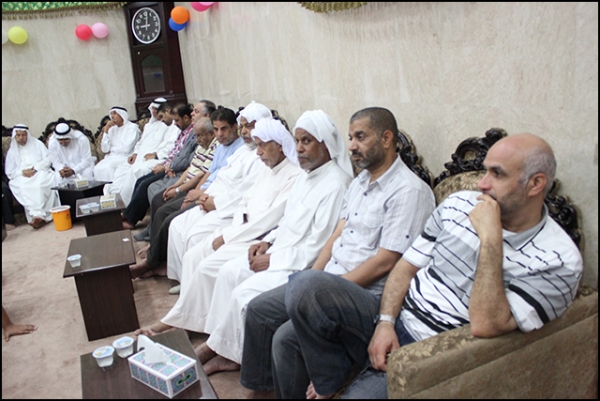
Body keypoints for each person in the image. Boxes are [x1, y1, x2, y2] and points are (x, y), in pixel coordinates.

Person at [277, 133, 583, 399]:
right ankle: (334, 376)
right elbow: (406, 267)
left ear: (535, 184)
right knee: (304, 288)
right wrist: (385, 323)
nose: (482, 184)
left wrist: (491, 240)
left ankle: (359, 373)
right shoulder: (459, 204)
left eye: (497, 174)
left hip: (433, 352)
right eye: (485, 171)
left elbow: (486, 324)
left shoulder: (558, 261)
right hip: (396, 314)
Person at [238, 107, 436, 398]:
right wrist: (316, 277)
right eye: (350, 137)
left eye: (360, 137)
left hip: (368, 296)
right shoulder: (359, 183)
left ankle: (331, 376)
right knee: (260, 309)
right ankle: (263, 389)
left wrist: (324, 288)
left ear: (386, 139)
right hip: (331, 282)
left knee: (287, 333)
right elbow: (336, 236)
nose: (352, 145)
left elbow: (386, 262)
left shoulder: (408, 191)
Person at [195, 109, 354, 376]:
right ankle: (220, 345)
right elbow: (287, 220)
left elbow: (319, 246)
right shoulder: (306, 176)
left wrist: (273, 260)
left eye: (307, 141)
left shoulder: (337, 184)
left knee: (244, 294)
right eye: (298, 141)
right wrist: (267, 243)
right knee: (228, 272)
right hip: (279, 251)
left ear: (326, 143)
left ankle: (234, 356)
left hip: (298, 265)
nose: (299, 148)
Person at [135, 117, 302, 337]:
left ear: (279, 145)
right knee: (193, 255)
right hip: (240, 227)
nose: (258, 152)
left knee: (208, 267)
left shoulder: (293, 175)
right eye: (258, 145)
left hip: (256, 237)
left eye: (263, 145)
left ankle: (189, 323)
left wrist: (228, 236)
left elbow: (267, 221)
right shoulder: (268, 168)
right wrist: (233, 226)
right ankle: (187, 318)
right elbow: (245, 200)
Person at [165, 102, 272, 290]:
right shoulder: (244, 150)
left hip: (227, 208)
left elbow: (245, 192)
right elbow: (221, 175)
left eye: (250, 126)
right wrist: (206, 195)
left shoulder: (262, 157)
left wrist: (215, 202)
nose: (245, 131)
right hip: (212, 198)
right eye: (243, 126)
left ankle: (194, 286)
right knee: (176, 225)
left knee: (194, 236)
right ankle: (185, 280)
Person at [129, 117, 218, 278]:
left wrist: (181, 191)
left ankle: (152, 262)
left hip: (200, 191)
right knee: (157, 199)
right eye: (195, 136)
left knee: (168, 216)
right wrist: (176, 186)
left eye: (200, 136)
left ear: (211, 134)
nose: (197, 139)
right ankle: (154, 248)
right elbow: (191, 167)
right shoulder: (203, 145)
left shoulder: (216, 147)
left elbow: (203, 175)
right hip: (187, 183)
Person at [121, 103, 197, 229]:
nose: (175, 123)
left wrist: (169, 166)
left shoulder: (193, 133)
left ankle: (132, 219)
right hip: (169, 165)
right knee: (141, 181)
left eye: (177, 120)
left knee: (146, 185)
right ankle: (130, 214)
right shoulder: (182, 131)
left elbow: (186, 158)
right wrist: (166, 164)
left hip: (177, 170)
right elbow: (174, 152)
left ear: (186, 118)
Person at [103, 98, 169, 202]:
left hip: (152, 158)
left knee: (135, 171)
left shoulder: (168, 126)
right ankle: (115, 198)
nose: (154, 111)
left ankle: (126, 202)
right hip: (139, 157)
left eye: (156, 109)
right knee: (121, 169)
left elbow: (169, 146)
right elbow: (140, 142)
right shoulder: (148, 126)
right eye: (153, 109)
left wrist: (156, 154)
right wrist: (135, 153)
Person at [4, 125, 60, 229]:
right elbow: (10, 172)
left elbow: (48, 159)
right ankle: (37, 216)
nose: (21, 138)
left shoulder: (37, 144)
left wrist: (36, 169)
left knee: (39, 184)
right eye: (18, 135)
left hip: (40, 171)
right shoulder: (12, 151)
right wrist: (22, 172)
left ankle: (39, 215)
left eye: (23, 135)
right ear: (15, 136)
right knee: (23, 187)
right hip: (22, 176)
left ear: (27, 135)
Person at [93, 106, 141, 181]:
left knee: (108, 167)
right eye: (111, 114)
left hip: (125, 157)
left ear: (122, 115)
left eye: (115, 113)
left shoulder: (132, 128)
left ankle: (112, 187)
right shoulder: (112, 129)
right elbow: (105, 150)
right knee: (97, 168)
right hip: (111, 157)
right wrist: (106, 132)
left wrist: (112, 149)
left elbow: (126, 149)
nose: (112, 116)